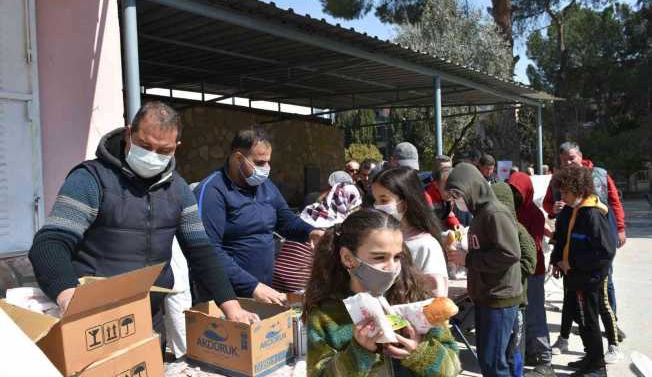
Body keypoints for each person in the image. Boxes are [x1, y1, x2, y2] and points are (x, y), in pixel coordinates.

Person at [28, 102, 258, 350]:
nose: (152, 156)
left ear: (176, 148)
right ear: (129, 134)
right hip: (93, 324)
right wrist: (67, 296)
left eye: (163, 150)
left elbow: (201, 252)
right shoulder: (90, 179)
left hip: (149, 320)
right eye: (145, 146)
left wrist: (232, 307)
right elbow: (50, 244)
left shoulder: (179, 191)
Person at [304, 209, 461, 377]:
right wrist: (358, 353)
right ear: (348, 258)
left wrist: (421, 352)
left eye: (397, 257)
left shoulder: (416, 300)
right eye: (379, 258)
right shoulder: (326, 315)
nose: (391, 267)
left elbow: (452, 367)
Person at [195, 128, 324, 306]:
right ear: (238, 158)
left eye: (268, 162)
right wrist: (251, 286)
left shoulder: (265, 186)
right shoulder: (212, 191)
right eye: (259, 163)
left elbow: (286, 220)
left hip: (262, 291)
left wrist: (311, 232)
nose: (266, 169)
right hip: (226, 298)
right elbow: (208, 250)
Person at [544, 142, 626, 346]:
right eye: (564, 160)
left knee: (605, 286)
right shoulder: (558, 179)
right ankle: (580, 328)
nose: (569, 162)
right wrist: (555, 208)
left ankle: (611, 326)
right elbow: (548, 205)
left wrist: (621, 228)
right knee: (572, 288)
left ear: (580, 156)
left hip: (597, 241)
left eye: (572, 158)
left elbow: (614, 202)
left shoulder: (599, 174)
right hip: (572, 242)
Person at [445, 162, 522, 377]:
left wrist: (468, 258)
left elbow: (510, 253)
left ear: (471, 188)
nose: (455, 200)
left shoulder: (494, 213)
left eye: (456, 194)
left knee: (494, 363)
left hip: (499, 298)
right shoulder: (479, 214)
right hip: (486, 296)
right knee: (493, 360)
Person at [550, 165, 616, 377]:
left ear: (579, 190)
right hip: (574, 277)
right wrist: (557, 259)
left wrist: (574, 264)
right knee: (581, 319)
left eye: (565, 192)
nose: (563, 196)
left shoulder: (593, 214)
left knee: (590, 321)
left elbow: (605, 252)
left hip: (589, 278)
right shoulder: (572, 210)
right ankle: (590, 357)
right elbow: (562, 238)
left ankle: (597, 367)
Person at [372, 167, 448, 297]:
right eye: (375, 200)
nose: (377, 206)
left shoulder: (426, 245)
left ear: (405, 201)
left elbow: (436, 300)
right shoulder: (380, 238)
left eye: (384, 200)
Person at [508, 172, 556, 377]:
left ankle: (545, 359)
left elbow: (533, 245)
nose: (515, 196)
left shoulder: (533, 214)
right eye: (512, 191)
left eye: (518, 192)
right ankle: (530, 353)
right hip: (517, 271)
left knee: (535, 313)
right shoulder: (510, 211)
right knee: (523, 316)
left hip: (533, 271)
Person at [492, 182, 538, 377]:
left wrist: (502, 270)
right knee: (500, 350)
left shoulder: (518, 230)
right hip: (496, 299)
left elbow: (530, 263)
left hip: (516, 300)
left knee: (514, 349)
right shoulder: (492, 228)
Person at [425, 155, 462, 230]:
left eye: (453, 188)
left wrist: (456, 225)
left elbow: (448, 213)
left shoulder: (448, 197)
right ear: (436, 185)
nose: (451, 193)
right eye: (447, 188)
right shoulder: (426, 198)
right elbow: (425, 224)